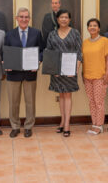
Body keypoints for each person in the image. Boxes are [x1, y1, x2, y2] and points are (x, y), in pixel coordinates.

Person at [4, 7, 44, 138]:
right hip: (13, 74)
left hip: (30, 74)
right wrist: (6, 63)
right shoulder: (9, 34)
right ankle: (15, 126)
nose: (24, 19)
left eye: (26, 17)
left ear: (29, 19)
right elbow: (4, 52)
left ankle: (28, 126)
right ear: (16, 18)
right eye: (21, 16)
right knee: (13, 102)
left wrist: (38, 61)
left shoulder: (36, 33)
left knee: (30, 102)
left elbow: (42, 51)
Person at [47, 9, 82, 137]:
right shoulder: (52, 34)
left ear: (69, 19)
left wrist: (75, 70)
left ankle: (67, 124)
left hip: (70, 71)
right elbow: (49, 53)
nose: (63, 19)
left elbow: (79, 52)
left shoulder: (75, 33)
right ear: (57, 19)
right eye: (61, 17)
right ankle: (62, 122)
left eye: (66, 17)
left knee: (67, 95)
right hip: (56, 72)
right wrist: (53, 69)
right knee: (61, 95)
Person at [82, 18, 108, 135]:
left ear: (99, 28)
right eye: (90, 25)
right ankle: (94, 123)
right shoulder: (85, 42)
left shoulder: (104, 41)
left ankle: (99, 125)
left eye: (95, 25)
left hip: (100, 76)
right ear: (88, 28)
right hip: (87, 76)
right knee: (91, 101)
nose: (92, 27)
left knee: (99, 102)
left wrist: (107, 73)